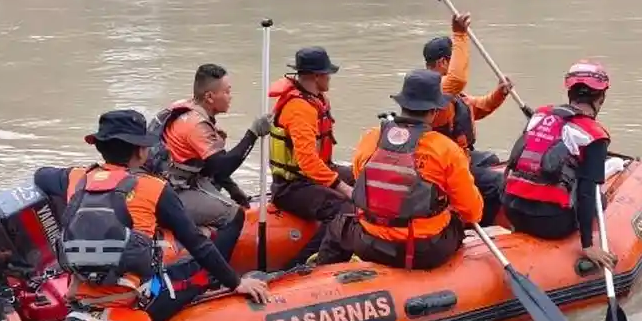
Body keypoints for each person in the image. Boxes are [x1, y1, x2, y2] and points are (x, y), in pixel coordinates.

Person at [32, 109, 269, 321]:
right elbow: (197, 243)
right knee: (197, 273)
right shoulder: (153, 188)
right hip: (139, 299)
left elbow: (41, 175)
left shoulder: (76, 178)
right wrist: (236, 283)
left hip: (81, 293)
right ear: (140, 151)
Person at [314, 69, 483, 270]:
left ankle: (321, 275)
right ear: (434, 111)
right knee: (456, 218)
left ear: (402, 105)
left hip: (369, 242)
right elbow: (473, 212)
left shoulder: (371, 138)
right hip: (423, 250)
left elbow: (362, 181)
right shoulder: (446, 149)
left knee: (339, 226)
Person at [500, 60, 618, 270]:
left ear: (570, 93)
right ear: (601, 99)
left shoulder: (540, 114)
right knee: (600, 199)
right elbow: (587, 193)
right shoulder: (595, 135)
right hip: (550, 223)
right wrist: (588, 245)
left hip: (511, 210)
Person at [144, 64, 271, 238]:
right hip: (171, 192)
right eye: (227, 92)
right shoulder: (197, 126)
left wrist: (233, 189)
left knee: (218, 185)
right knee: (235, 215)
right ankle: (213, 262)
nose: (230, 97)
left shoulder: (187, 107)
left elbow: (212, 167)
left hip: (166, 182)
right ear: (210, 97)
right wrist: (253, 134)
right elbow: (224, 167)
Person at [422, 12, 513, 226]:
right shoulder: (435, 89)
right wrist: (459, 35)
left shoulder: (448, 93)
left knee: (490, 159)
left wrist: (499, 93)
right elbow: (458, 78)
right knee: (499, 182)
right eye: (455, 59)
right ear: (444, 62)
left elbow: (478, 107)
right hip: (445, 164)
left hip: (460, 154)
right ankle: (480, 222)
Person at [268, 47, 356, 261]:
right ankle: (312, 262)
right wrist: (343, 188)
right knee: (345, 208)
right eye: (327, 74)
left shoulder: (317, 99)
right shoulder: (299, 109)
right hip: (292, 186)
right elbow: (307, 161)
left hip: (315, 174)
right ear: (317, 76)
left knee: (363, 179)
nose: (329, 79)